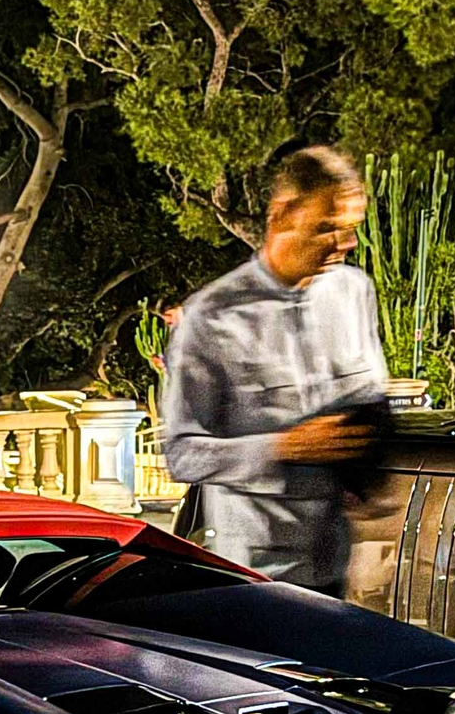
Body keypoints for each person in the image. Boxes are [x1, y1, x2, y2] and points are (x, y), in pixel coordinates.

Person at [158, 145, 388, 594]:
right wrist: (285, 446)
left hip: (340, 566)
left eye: (350, 230)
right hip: (257, 578)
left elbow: (367, 399)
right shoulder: (211, 319)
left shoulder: (354, 293)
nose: (345, 244)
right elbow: (181, 454)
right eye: (327, 228)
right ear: (282, 214)